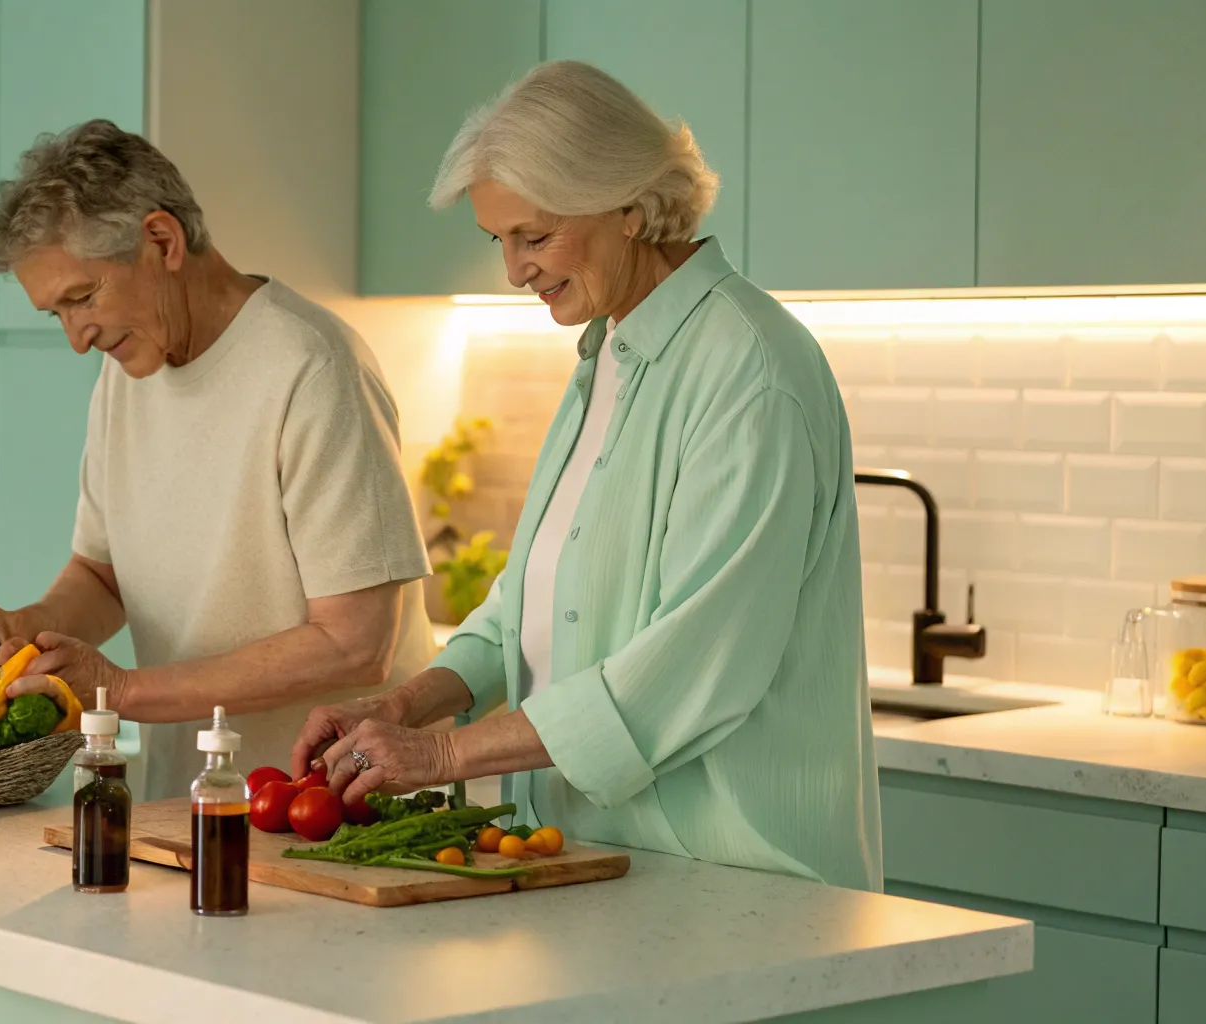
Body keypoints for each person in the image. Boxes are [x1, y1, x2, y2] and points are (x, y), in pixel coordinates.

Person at [291, 61, 880, 891]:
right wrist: (403, 706)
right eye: (499, 240)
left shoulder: (750, 372)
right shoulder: (610, 353)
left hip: (739, 882)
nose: (513, 270)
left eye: (534, 237)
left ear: (631, 209)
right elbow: (530, 602)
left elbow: (687, 667)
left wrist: (443, 753)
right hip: (602, 863)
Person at [0, 120, 435, 800]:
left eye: (82, 297)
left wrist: (122, 690)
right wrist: (32, 626)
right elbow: (103, 574)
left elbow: (355, 644)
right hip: (190, 802)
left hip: (332, 808)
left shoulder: (310, 366)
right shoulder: (125, 375)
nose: (76, 339)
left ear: (162, 240)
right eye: (55, 314)